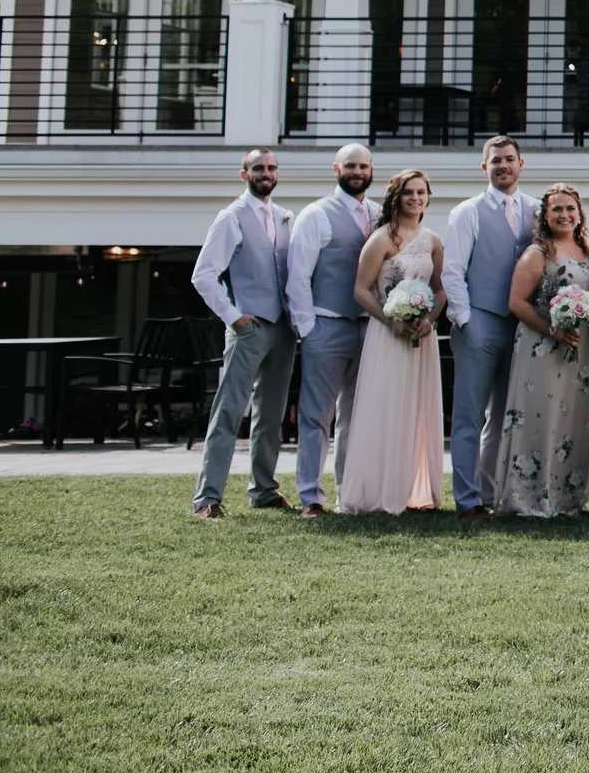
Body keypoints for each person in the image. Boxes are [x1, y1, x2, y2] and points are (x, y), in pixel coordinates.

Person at [188, 149, 296, 518]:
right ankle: (207, 498)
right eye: (258, 168)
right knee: (229, 410)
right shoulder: (230, 217)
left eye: (271, 168)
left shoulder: (284, 217)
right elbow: (204, 275)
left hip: (283, 328)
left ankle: (264, 490)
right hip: (249, 329)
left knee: (271, 413)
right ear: (244, 174)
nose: (266, 173)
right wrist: (233, 317)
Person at [336, 169, 448, 514]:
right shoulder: (382, 239)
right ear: (396, 198)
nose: (415, 198)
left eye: (421, 192)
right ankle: (377, 490)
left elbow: (440, 290)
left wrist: (428, 319)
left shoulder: (433, 241)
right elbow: (360, 290)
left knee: (417, 409)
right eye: (408, 193)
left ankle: (414, 490)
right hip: (387, 336)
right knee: (385, 407)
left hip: (422, 339)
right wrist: (391, 320)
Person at [440, 135, 539, 520]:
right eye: (496, 160)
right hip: (479, 321)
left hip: (522, 327)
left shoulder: (537, 210)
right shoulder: (468, 212)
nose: (503, 166)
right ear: (485, 167)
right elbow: (453, 271)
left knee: (505, 416)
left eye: (509, 159)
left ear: (521, 164)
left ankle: (493, 492)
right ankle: (467, 499)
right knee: (469, 416)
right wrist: (466, 319)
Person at [490, 184, 589, 519]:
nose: (565, 215)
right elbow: (516, 302)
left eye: (570, 209)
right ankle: (528, 496)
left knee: (572, 419)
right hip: (541, 347)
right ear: (545, 215)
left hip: (578, 350)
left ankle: (566, 497)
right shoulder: (538, 253)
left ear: (579, 214)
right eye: (557, 209)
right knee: (539, 416)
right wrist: (552, 329)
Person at [286, 143, 375, 517]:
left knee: (356, 418)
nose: (358, 172)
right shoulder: (316, 214)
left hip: (369, 330)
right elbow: (298, 276)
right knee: (316, 416)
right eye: (350, 165)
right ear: (336, 170)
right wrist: (308, 329)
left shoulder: (378, 214)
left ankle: (348, 496)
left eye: (363, 166)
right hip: (326, 325)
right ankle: (310, 496)